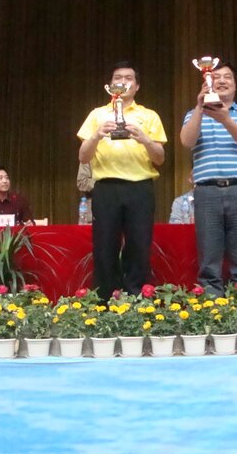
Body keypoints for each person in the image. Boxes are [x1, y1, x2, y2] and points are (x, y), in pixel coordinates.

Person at [77, 61, 167, 300]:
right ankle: (105, 300)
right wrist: (97, 135)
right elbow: (83, 156)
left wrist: (145, 139)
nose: (123, 82)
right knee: (104, 246)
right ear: (110, 85)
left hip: (140, 188)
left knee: (139, 246)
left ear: (137, 86)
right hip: (106, 188)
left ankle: (136, 299)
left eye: (129, 78)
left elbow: (159, 158)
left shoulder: (149, 115)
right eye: (118, 78)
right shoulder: (97, 114)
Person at [180, 61, 237, 296]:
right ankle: (211, 309)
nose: (222, 81)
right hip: (206, 192)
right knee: (209, 261)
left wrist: (225, 119)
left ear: (235, 85)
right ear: (207, 82)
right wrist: (199, 107)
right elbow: (186, 141)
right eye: (216, 77)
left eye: (228, 77)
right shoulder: (193, 114)